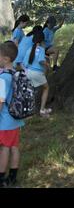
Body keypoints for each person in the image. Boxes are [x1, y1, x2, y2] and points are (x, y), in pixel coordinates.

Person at [0, 41, 24, 187]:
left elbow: (0, 103)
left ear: (6, 59)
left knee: (4, 149)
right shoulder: (16, 73)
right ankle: (13, 177)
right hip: (16, 119)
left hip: (5, 121)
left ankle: (1, 178)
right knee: (14, 147)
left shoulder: (2, 79)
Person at [23, 30, 52, 117]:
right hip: (37, 73)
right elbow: (41, 61)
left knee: (30, 92)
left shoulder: (29, 49)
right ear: (42, 40)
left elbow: (24, 63)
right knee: (46, 88)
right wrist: (47, 65)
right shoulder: (41, 49)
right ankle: (42, 110)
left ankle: (27, 111)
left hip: (28, 73)